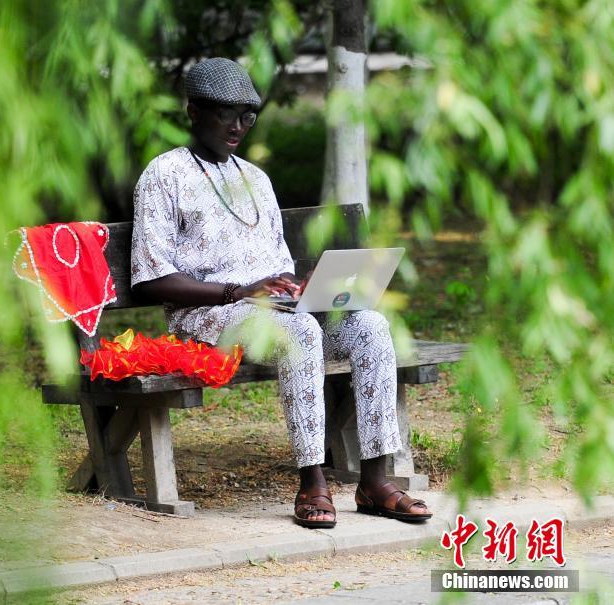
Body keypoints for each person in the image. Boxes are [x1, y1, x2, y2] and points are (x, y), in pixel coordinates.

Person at [130, 57, 431, 528]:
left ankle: (375, 480)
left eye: (247, 116)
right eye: (225, 113)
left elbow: (277, 265)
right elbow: (150, 279)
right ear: (193, 111)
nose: (237, 126)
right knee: (299, 333)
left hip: (275, 310)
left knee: (369, 325)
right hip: (205, 316)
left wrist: (298, 288)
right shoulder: (164, 175)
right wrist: (237, 291)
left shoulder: (256, 179)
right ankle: (312, 480)